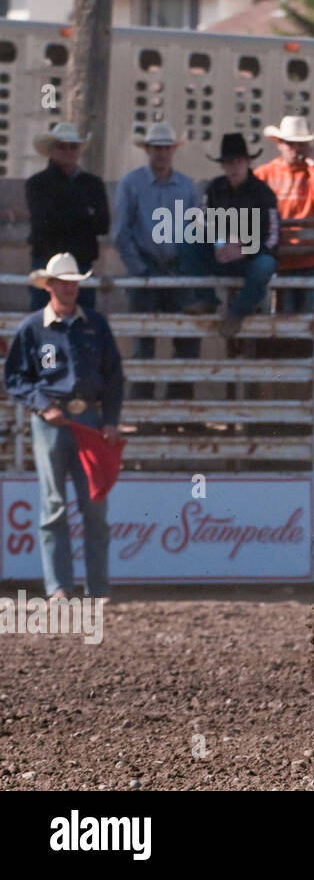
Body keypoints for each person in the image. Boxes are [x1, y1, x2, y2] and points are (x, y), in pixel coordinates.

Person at [4, 254, 123, 600]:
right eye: (64, 282)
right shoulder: (32, 328)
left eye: (74, 282)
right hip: (52, 421)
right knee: (53, 505)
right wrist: (42, 406)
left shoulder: (96, 325)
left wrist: (111, 420)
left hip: (90, 420)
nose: (70, 288)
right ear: (50, 286)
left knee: (94, 506)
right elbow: (15, 378)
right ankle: (59, 587)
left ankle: (98, 587)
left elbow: (114, 376)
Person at [112, 121, 200, 400]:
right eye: (156, 148)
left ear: (173, 150)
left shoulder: (188, 187)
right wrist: (139, 270)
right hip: (145, 269)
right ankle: (143, 410)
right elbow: (121, 233)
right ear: (148, 150)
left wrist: (185, 268)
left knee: (186, 342)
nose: (161, 153)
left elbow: (196, 231)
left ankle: (180, 407)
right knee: (144, 343)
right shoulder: (131, 184)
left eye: (166, 148)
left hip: (177, 270)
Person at [181, 133, 280, 338]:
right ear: (223, 165)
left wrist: (243, 249)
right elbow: (201, 221)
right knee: (186, 241)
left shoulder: (263, 193)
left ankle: (237, 312)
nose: (234, 167)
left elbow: (272, 236)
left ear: (247, 162)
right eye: (229, 162)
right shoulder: (215, 188)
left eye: (238, 161)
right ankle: (207, 299)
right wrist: (219, 244)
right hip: (222, 254)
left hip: (249, 259)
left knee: (266, 265)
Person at [254, 115, 314, 313]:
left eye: (300, 144)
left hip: (311, 261)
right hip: (276, 261)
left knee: (311, 319)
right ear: (280, 144)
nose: (295, 148)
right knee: (281, 320)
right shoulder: (264, 174)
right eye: (289, 143)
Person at [25, 122, 110, 312]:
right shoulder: (37, 184)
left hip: (81, 265)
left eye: (73, 146)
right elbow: (43, 224)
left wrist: (63, 214)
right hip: (46, 266)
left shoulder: (93, 184)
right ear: (52, 150)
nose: (68, 151)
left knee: (83, 322)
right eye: (61, 146)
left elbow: (103, 224)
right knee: (43, 322)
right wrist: (83, 215)